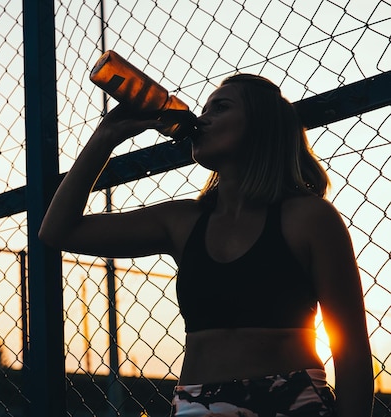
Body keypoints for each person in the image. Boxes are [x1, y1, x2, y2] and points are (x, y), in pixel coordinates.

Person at [38, 74, 373, 417]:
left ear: (263, 125)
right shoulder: (183, 221)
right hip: (197, 406)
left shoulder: (309, 217)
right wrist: (105, 137)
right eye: (204, 109)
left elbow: (352, 352)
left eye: (221, 107)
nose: (201, 118)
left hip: (289, 402)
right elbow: (58, 231)